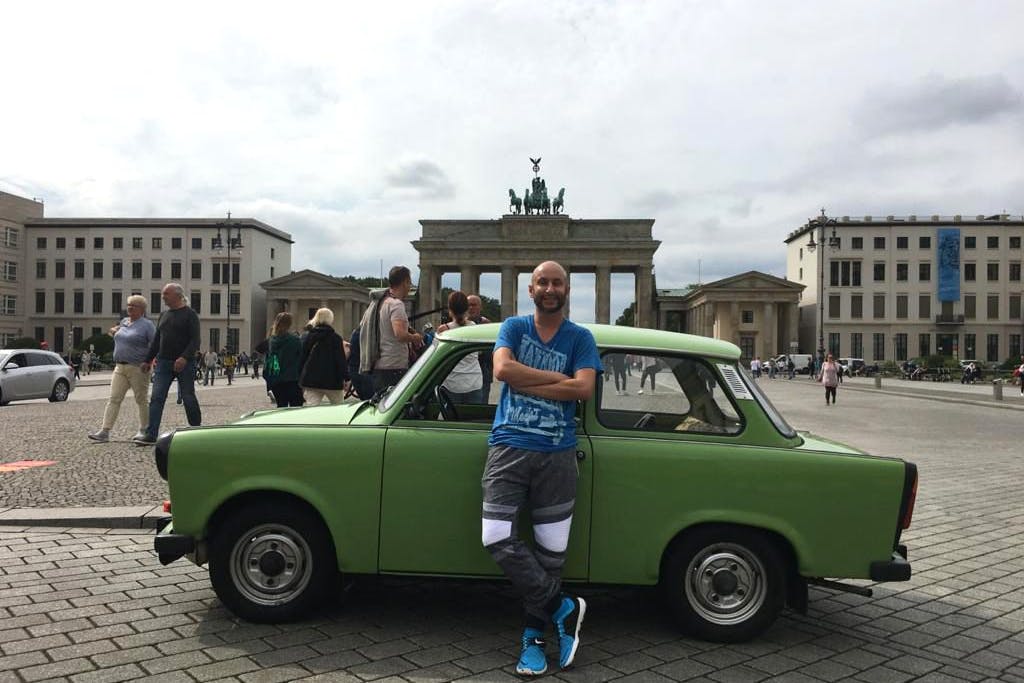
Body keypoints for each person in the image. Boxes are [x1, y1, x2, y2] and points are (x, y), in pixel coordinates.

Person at [482, 261, 600, 676]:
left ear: (568, 289)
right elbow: (501, 370)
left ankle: (532, 638)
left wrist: (524, 378)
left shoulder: (581, 337)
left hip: (558, 454)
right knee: (496, 536)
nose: (550, 288)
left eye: (557, 282)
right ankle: (562, 608)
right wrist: (556, 378)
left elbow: (584, 388)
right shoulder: (513, 327)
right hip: (508, 447)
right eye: (542, 282)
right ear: (529, 289)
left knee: (551, 557)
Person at [134, 283, 201, 445]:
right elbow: (157, 340)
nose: (163, 296)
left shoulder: (190, 314)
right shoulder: (164, 315)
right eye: (163, 294)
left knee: (188, 396)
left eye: (166, 294)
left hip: (185, 363)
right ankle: (151, 434)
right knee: (156, 398)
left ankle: (197, 428)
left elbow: (195, 340)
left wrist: (184, 357)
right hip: (164, 362)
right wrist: (147, 360)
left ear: (177, 295)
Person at [88, 295, 156, 442]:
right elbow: (116, 333)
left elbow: (155, 345)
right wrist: (113, 331)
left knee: (141, 399)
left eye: (134, 305)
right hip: (120, 367)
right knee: (114, 398)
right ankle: (105, 431)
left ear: (142, 309)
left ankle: (144, 429)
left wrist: (149, 361)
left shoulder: (147, 325)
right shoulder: (124, 322)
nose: (129, 308)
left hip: (138, 368)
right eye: (128, 305)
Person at [359, 266, 424, 394]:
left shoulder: (380, 303)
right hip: (394, 366)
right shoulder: (396, 304)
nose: (410, 286)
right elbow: (400, 335)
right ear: (405, 281)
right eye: (409, 282)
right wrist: (416, 337)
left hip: (380, 365)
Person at [435, 291, 482, 403]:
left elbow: (436, 355)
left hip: (452, 382)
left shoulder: (444, 329)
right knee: (474, 419)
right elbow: (479, 351)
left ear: (450, 309)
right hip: (474, 381)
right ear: (466, 309)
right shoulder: (474, 327)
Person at [299, 308, 349, 405]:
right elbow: (340, 360)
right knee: (338, 407)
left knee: (312, 408)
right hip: (332, 380)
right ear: (330, 319)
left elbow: (303, 358)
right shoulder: (336, 338)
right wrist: (346, 378)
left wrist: (300, 377)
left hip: (312, 379)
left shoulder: (309, 336)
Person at [266, 312, 304, 407]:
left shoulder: (272, 340)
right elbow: (301, 359)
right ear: (289, 324)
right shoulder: (295, 340)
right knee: (296, 408)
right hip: (293, 379)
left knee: (281, 407)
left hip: (277, 380)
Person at [468, 294, 494, 403]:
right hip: (462, 376)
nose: (470, 308)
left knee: (480, 408)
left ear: (480, 307)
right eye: (468, 305)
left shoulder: (487, 325)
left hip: (483, 373)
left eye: (474, 305)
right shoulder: (457, 325)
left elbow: (492, 351)